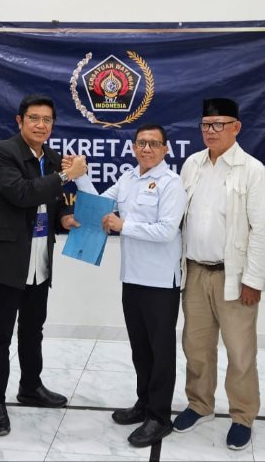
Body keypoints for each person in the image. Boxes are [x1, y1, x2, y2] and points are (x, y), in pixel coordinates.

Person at [66, 124, 187, 447]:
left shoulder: (172, 183)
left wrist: (124, 225)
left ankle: (159, 417)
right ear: (133, 147)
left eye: (154, 144)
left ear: (165, 149)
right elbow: (99, 204)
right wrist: (81, 175)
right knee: (140, 349)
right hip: (131, 277)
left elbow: (167, 231)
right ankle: (144, 403)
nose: (146, 148)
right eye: (141, 143)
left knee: (161, 352)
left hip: (160, 282)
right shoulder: (128, 179)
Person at [0, 94, 87, 436]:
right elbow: (22, 193)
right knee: (0, 334)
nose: (41, 125)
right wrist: (66, 175)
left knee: (33, 329)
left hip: (40, 257)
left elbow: (50, 203)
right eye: (34, 118)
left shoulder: (52, 158)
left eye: (47, 120)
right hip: (7, 259)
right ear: (20, 121)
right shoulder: (2, 152)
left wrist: (63, 219)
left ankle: (30, 387)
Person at [173, 98, 265, 450]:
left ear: (236, 127)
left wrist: (253, 281)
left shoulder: (252, 169)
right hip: (195, 272)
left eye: (218, 124)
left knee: (240, 352)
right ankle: (200, 404)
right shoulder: (192, 164)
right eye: (205, 125)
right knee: (196, 346)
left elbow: (260, 230)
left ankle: (242, 415)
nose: (210, 131)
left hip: (234, 276)